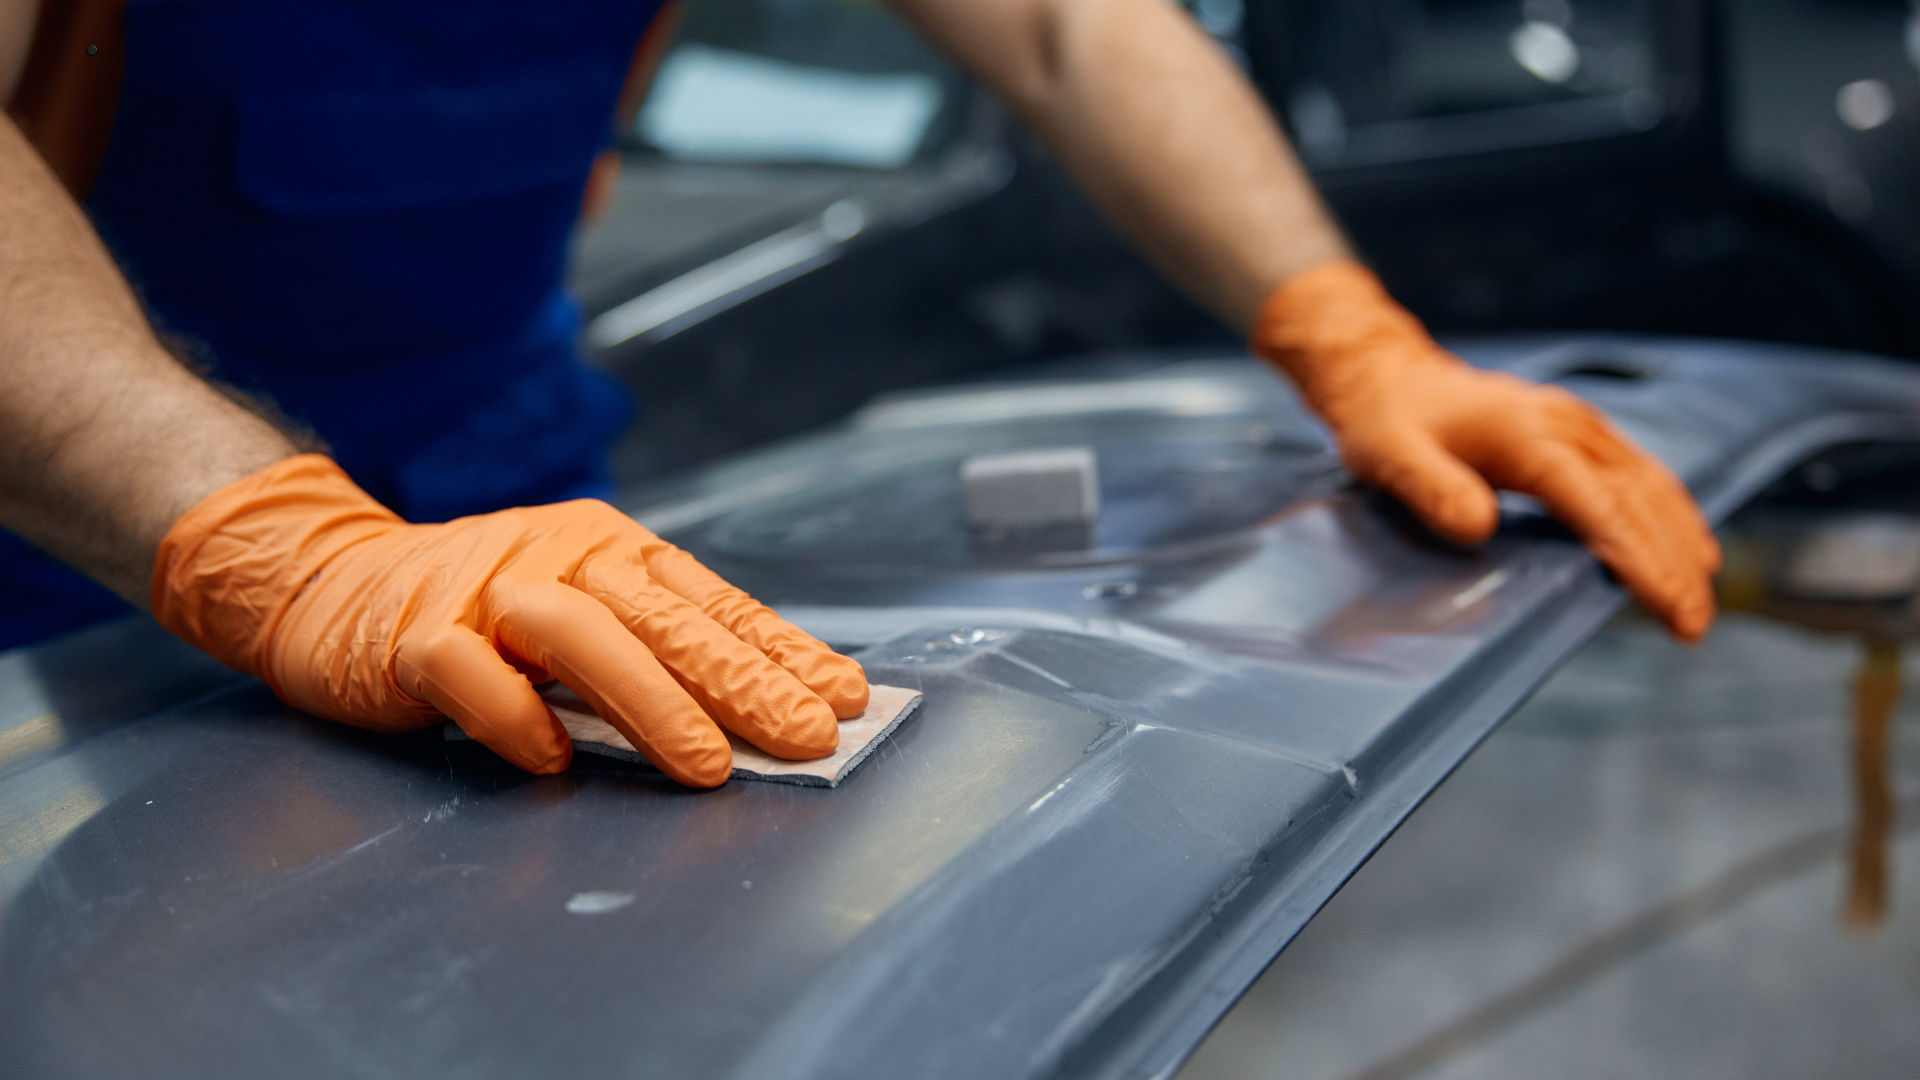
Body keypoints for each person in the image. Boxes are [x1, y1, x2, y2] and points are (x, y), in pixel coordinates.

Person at [0, 0, 1720, 787]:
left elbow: (1065, 29)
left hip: (519, 469)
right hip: (91, 552)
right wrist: (283, 548)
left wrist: (1350, 333)